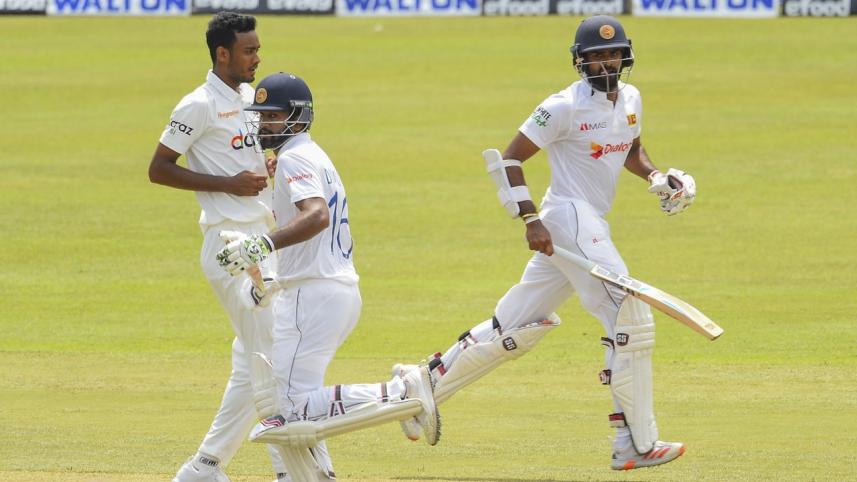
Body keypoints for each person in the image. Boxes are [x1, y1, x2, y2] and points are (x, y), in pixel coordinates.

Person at [394, 15, 696, 471]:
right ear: (580, 62)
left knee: (515, 322)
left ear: (625, 56)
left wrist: (657, 175)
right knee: (628, 313)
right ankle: (632, 441)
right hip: (566, 215)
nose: (606, 62)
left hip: (587, 222)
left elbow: (631, 148)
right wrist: (530, 219)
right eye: (596, 56)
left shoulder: (631, 98)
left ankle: (417, 391)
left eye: (613, 54)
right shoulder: (562, 106)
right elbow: (509, 158)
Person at [215, 72, 440, 481]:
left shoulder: (297, 158)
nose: (264, 124)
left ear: (299, 117)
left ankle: (398, 393)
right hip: (329, 292)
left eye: (273, 116)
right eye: (261, 115)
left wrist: (261, 246)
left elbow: (316, 215)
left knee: (286, 408)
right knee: (287, 407)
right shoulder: (307, 154)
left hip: (312, 295)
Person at [148, 12, 287, 481]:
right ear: (222, 53)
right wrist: (228, 183)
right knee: (273, 357)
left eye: (257, 48)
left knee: (255, 363)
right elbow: (159, 168)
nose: (257, 57)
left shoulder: (251, 97)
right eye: (249, 50)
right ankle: (288, 467)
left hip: (262, 241)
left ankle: (204, 468)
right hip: (229, 246)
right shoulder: (197, 105)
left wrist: (266, 168)